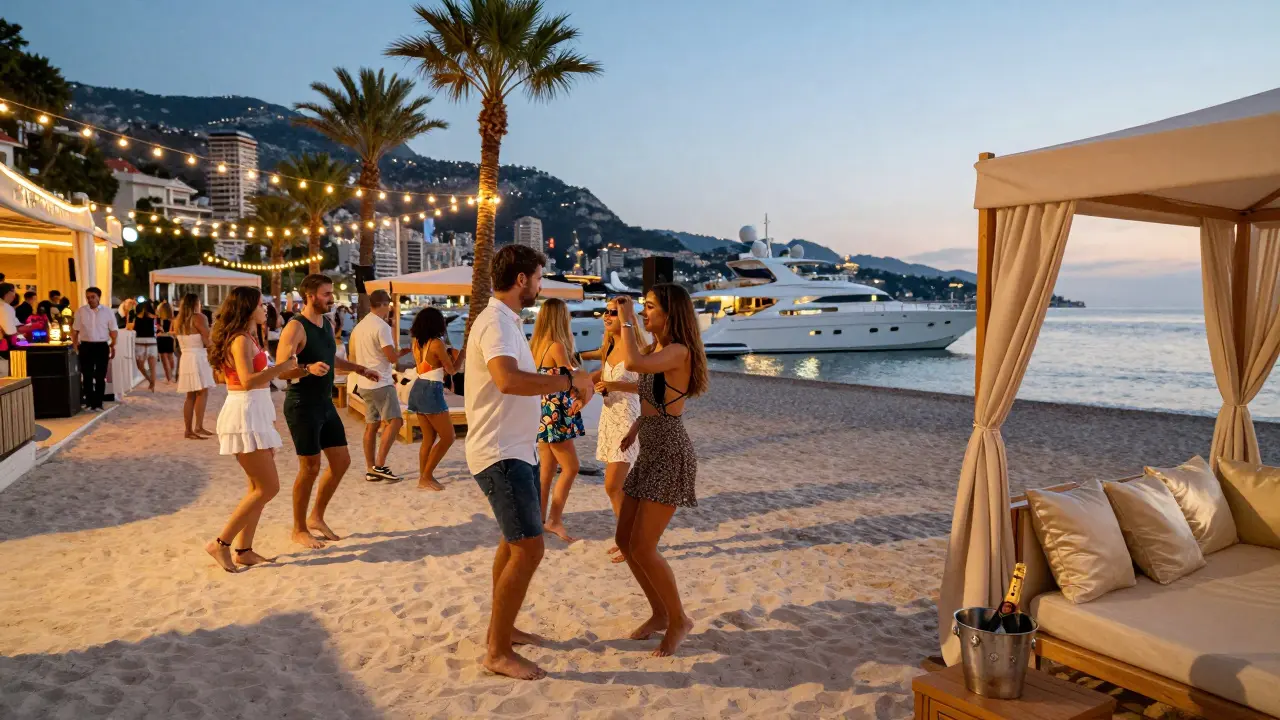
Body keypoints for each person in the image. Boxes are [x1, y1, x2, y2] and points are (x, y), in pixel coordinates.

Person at [465, 245, 594, 680]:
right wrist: (567, 379)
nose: (541, 284)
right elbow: (507, 380)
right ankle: (497, 651)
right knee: (530, 547)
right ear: (522, 279)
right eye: (539, 276)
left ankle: (501, 631)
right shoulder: (497, 323)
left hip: (512, 448)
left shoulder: (504, 321)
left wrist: (565, 382)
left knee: (512, 542)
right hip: (500, 452)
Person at [612, 285, 708, 657]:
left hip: (670, 452)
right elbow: (645, 388)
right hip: (651, 447)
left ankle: (679, 619)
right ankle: (658, 613)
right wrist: (637, 427)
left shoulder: (677, 351)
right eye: (643, 307)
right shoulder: (656, 349)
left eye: (650, 307)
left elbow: (631, 362)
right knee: (624, 541)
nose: (644, 311)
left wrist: (626, 320)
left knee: (644, 547)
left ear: (671, 314)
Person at [275, 274, 379, 549]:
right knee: (309, 468)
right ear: (310, 296)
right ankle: (298, 528)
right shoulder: (295, 328)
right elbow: (281, 369)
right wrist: (306, 369)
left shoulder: (326, 323)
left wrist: (359, 369)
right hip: (302, 404)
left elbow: (330, 357)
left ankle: (316, 516)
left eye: (331, 293)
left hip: (325, 403)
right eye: (326, 294)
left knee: (341, 461)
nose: (331, 298)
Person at [205, 286, 303, 573]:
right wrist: (283, 365)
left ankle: (244, 549)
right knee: (268, 486)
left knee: (256, 487)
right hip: (244, 413)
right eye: (262, 305)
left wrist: (303, 370)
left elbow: (267, 376)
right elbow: (247, 380)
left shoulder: (249, 337)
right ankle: (221, 543)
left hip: (255, 412)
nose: (266, 310)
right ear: (248, 308)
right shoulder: (240, 341)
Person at [580, 296, 646, 562]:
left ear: (626, 317)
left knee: (613, 485)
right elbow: (600, 377)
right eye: (604, 312)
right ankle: (628, 539)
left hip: (627, 419)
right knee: (619, 487)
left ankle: (631, 542)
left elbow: (646, 388)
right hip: (610, 417)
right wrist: (580, 392)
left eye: (612, 312)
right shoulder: (609, 346)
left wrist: (614, 386)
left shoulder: (635, 348)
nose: (606, 317)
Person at [530, 298, 586, 543]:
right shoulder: (556, 346)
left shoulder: (536, 345)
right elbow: (572, 377)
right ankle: (554, 519)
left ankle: (539, 518)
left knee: (547, 469)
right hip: (556, 413)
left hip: (541, 410)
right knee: (571, 467)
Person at [349, 290, 412, 483]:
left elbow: (353, 356)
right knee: (395, 422)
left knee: (372, 425)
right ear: (384, 304)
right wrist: (404, 352)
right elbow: (391, 358)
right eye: (389, 304)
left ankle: (370, 468)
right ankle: (380, 466)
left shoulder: (360, 326)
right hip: (381, 382)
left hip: (364, 383)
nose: (390, 308)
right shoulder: (381, 326)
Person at [408, 307, 459, 491]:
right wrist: (463, 354)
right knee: (448, 437)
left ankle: (424, 477)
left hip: (419, 387)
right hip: (431, 389)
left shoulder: (417, 342)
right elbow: (452, 370)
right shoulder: (436, 344)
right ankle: (427, 476)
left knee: (429, 437)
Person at [174, 293, 216, 439]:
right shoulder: (199, 318)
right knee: (202, 392)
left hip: (186, 357)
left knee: (190, 395)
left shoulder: (178, 321)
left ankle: (189, 429)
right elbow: (208, 339)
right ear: (196, 303)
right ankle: (197, 426)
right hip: (198, 356)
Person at [71, 287, 117, 412]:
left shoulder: (108, 311)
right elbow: (75, 330)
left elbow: (113, 330)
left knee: (100, 375)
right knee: (87, 375)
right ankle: (89, 402)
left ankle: (98, 402)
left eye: (92, 297)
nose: (90, 299)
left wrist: (113, 345)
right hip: (86, 346)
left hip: (102, 346)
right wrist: (75, 346)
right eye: (88, 297)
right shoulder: (81, 311)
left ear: (98, 297)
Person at [128, 300, 159, 392]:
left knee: (140, 366)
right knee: (152, 367)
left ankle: (150, 380)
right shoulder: (154, 317)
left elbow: (130, 328)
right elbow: (156, 328)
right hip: (151, 342)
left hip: (139, 342)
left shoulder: (136, 318)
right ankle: (153, 385)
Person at [155, 300, 176, 384]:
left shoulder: (159, 319)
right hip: (170, 338)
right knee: (170, 357)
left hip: (161, 338)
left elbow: (157, 329)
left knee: (164, 359)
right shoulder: (172, 319)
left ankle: (169, 378)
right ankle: (171, 376)